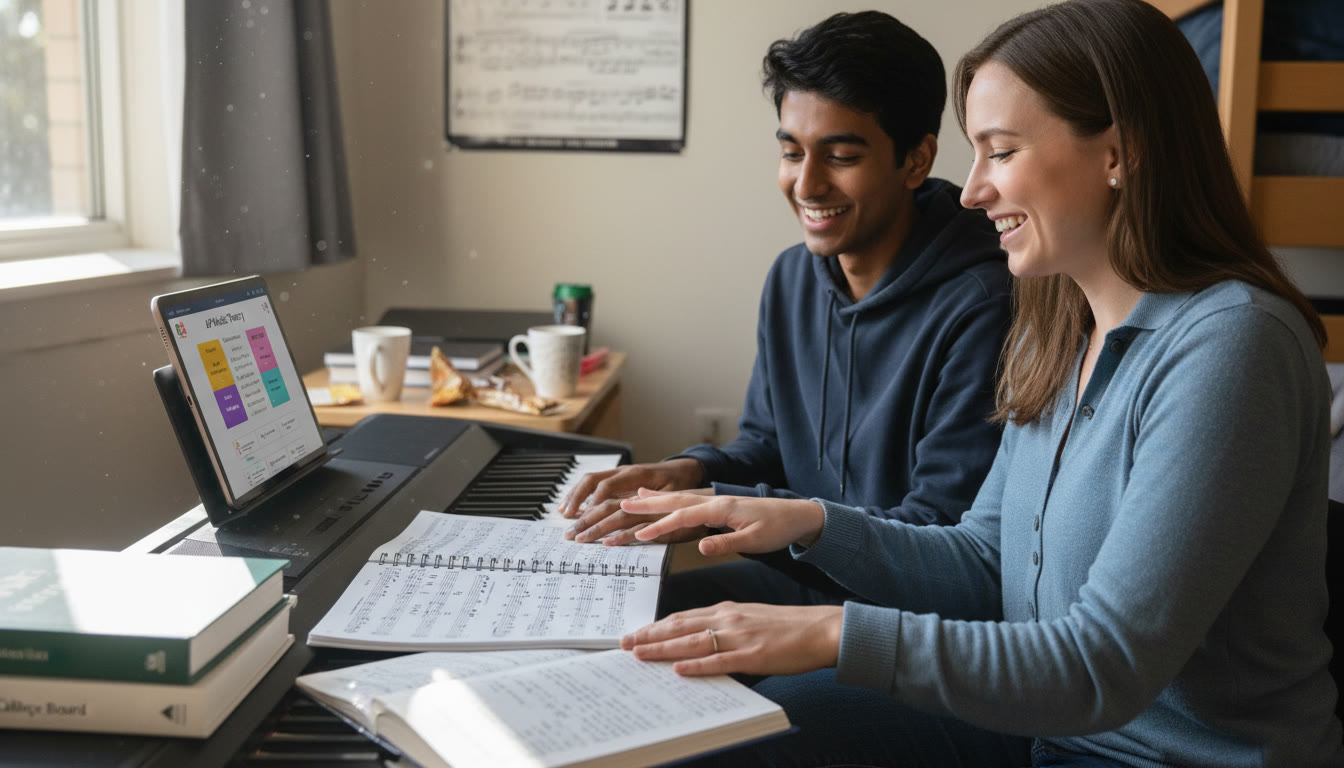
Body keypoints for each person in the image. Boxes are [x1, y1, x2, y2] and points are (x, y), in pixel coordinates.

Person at [615, 0, 1344, 765]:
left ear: (1118, 154)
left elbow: (1104, 667)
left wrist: (831, 632)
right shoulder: (1060, 322)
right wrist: (806, 525)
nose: (969, 192)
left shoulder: (1231, 346)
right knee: (736, 730)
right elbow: (983, 560)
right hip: (1053, 730)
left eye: (999, 152)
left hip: (1155, 754)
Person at [558, 11, 1013, 609]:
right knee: (617, 617)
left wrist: (721, 506)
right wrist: (689, 473)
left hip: (900, 618)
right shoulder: (791, 277)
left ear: (915, 161)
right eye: (792, 152)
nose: (806, 184)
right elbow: (766, 444)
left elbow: (936, 531)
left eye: (841, 157)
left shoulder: (982, 304)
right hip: (802, 580)